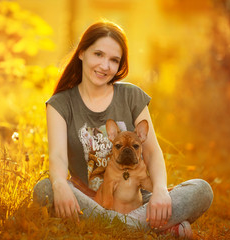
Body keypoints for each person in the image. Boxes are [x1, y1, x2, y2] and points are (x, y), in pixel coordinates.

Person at [33, 20, 213, 238]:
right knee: (45, 189)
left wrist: (160, 191)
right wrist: (60, 185)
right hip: (91, 200)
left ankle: (115, 226)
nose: (105, 66)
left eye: (113, 60)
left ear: (120, 65)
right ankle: (148, 228)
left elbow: (152, 151)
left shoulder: (131, 96)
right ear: (81, 53)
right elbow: (58, 157)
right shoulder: (60, 104)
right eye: (98, 54)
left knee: (202, 189)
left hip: (137, 197)